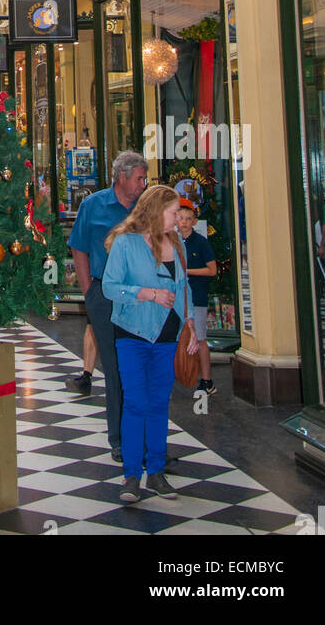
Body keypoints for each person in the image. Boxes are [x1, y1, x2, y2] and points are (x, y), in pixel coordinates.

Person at [102, 185, 199, 504]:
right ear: (156, 212)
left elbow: (184, 288)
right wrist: (147, 293)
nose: (178, 220)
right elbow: (111, 288)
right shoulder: (126, 244)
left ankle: (156, 472)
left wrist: (192, 329)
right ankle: (131, 476)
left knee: (159, 403)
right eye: (173, 213)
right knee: (135, 403)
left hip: (169, 337)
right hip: (132, 334)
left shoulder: (177, 243)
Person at [68, 151, 149, 462]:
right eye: (139, 178)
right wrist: (90, 292)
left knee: (141, 366)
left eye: (144, 178)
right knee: (115, 368)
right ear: (122, 177)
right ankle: (119, 438)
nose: (143, 184)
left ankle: (147, 438)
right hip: (106, 294)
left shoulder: (145, 207)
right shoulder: (94, 205)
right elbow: (79, 247)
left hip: (142, 296)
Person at [176, 199, 217, 394]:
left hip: (197, 296)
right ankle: (180, 372)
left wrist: (189, 271)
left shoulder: (201, 243)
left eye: (188, 219)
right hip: (177, 297)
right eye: (181, 218)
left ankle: (207, 380)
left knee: (200, 338)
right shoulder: (172, 241)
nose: (184, 222)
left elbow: (212, 270)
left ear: (194, 221)